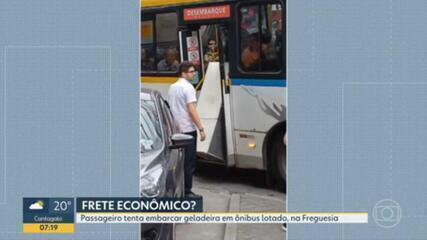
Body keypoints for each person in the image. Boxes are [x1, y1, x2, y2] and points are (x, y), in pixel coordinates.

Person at [168, 61, 206, 198]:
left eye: (194, 71)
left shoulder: (172, 87)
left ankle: (179, 190)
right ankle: (187, 191)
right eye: (191, 71)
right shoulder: (188, 88)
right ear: (183, 73)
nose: (194, 74)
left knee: (178, 162)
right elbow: (192, 109)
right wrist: (200, 128)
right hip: (188, 130)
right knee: (189, 163)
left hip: (176, 130)